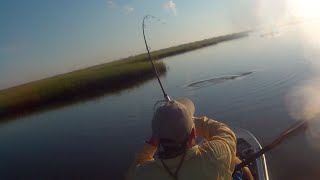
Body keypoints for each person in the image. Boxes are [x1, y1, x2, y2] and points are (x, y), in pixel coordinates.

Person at [126, 98, 253, 180]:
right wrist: (192, 121)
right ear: (193, 133)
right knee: (237, 162)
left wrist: (152, 143)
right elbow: (226, 133)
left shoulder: (143, 174)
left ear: (157, 139)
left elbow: (136, 166)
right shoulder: (215, 155)